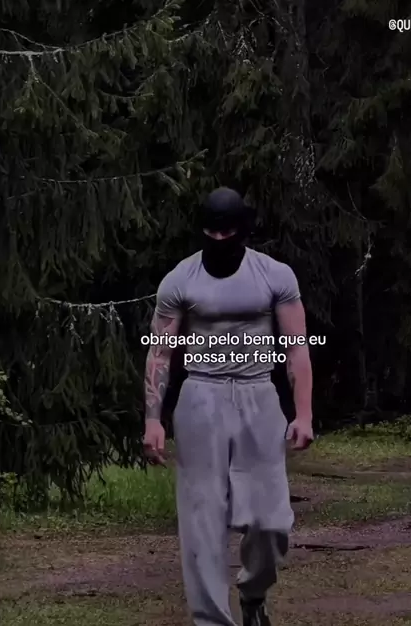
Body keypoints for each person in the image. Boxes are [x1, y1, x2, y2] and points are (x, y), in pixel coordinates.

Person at [143, 187, 313, 626]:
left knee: (272, 521)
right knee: (203, 521)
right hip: (202, 396)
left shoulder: (274, 274)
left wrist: (304, 413)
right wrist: (153, 419)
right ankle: (212, 620)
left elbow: (297, 347)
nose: (219, 239)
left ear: (243, 229)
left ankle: (253, 593)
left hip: (259, 395)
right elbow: (160, 353)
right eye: (211, 232)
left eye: (227, 232)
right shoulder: (180, 279)